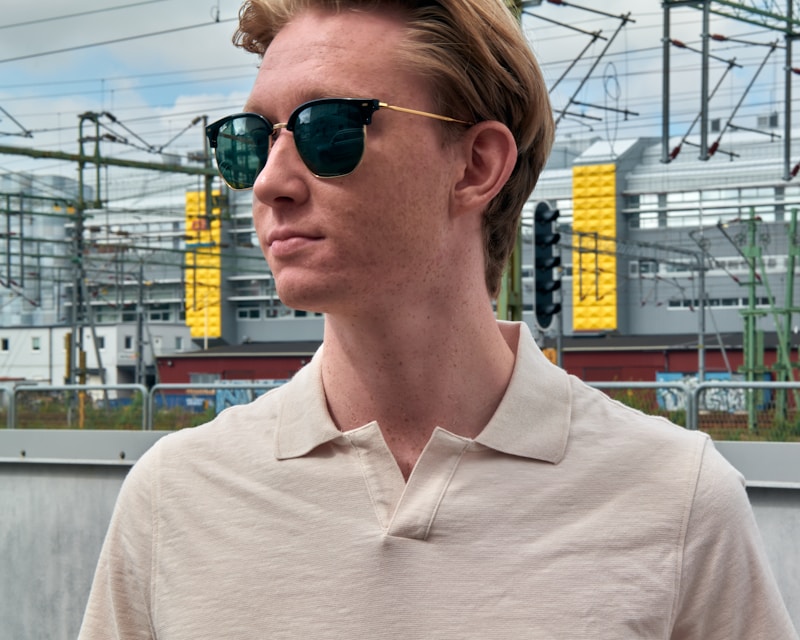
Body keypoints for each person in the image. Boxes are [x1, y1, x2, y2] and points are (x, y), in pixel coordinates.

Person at [79, 0, 798, 638]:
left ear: (476, 166)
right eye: (251, 139)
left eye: (326, 130)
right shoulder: (175, 496)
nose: (269, 181)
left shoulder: (675, 501)